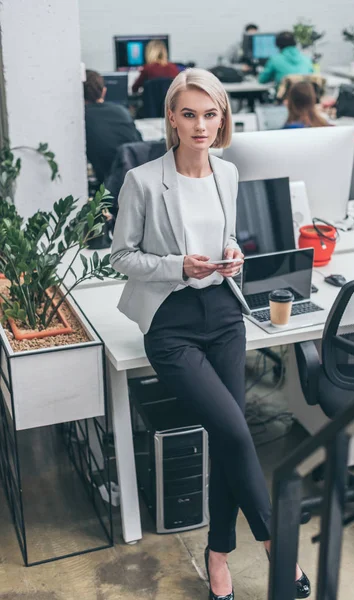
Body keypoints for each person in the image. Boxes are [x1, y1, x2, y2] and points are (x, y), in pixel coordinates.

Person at [110, 67, 311, 600]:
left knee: (229, 438)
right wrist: (179, 266)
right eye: (190, 114)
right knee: (236, 432)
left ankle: (217, 554)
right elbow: (122, 257)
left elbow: (226, 239)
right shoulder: (144, 180)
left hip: (223, 314)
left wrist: (232, 256)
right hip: (171, 325)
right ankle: (276, 546)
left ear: (221, 119)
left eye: (211, 114)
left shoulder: (227, 173)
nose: (201, 125)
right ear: (172, 118)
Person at [84, 70, 142, 184]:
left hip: (107, 187)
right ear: (104, 91)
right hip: (135, 179)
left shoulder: (81, 119)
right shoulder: (122, 111)